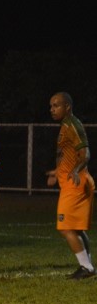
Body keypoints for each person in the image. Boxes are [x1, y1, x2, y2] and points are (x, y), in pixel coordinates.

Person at [46, 92, 94, 279]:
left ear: (67, 107)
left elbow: (85, 154)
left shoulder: (73, 125)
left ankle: (86, 267)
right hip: (73, 182)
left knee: (65, 227)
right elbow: (69, 155)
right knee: (76, 229)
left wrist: (75, 171)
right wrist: (57, 172)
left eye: (56, 105)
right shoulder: (66, 125)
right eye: (51, 106)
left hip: (76, 183)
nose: (52, 109)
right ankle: (88, 266)